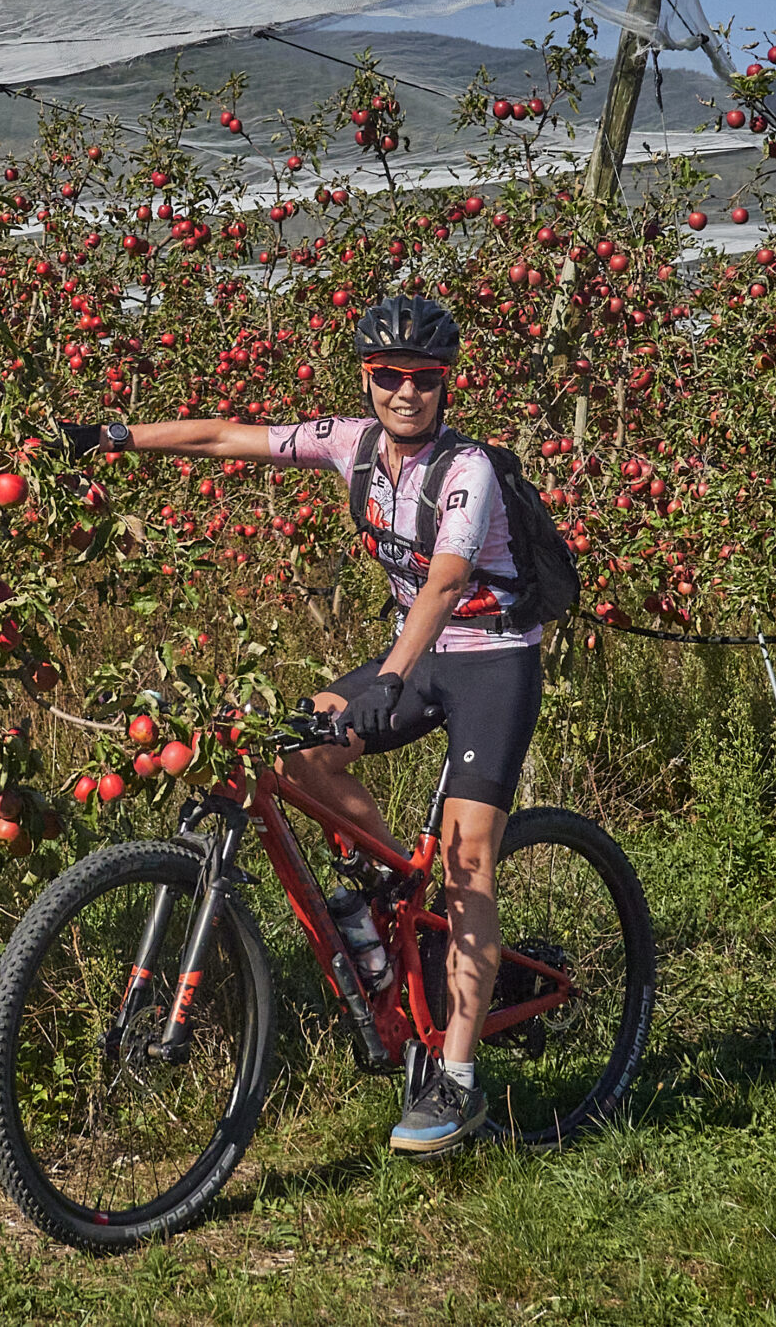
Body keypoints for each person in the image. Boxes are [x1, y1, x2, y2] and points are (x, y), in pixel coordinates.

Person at [56, 294, 542, 1157]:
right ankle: (386, 894)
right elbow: (225, 436)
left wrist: (391, 675)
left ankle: (456, 1085)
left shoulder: (467, 471)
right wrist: (110, 435)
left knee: (468, 866)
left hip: (492, 661)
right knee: (294, 746)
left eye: (423, 380)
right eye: (389, 377)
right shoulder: (350, 443)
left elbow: (446, 578)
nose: (405, 393)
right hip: (418, 652)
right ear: (367, 379)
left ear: (445, 385)